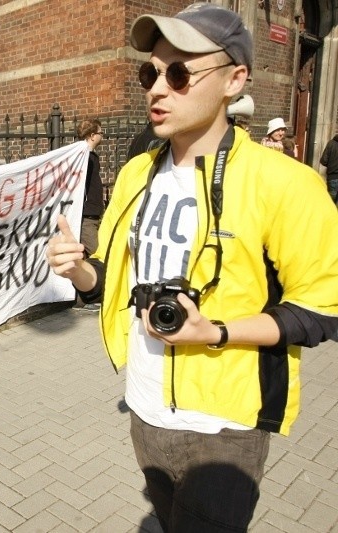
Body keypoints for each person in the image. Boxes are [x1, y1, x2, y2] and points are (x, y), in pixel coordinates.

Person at [45, 4, 338, 532]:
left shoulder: (288, 184)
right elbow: (113, 276)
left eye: (179, 73)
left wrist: (215, 331)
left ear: (234, 79)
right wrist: (80, 271)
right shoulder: (136, 170)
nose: (158, 88)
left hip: (223, 427)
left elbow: (321, 311)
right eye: (150, 73)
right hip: (142, 406)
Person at [77, 119, 104, 313]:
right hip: (86, 215)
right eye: (100, 133)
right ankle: (91, 297)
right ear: (92, 135)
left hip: (92, 213)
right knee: (96, 254)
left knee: (86, 256)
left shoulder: (92, 156)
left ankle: (83, 298)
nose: (102, 136)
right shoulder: (83, 156)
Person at [320, 132, 338, 205]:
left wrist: (332, 165)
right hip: (333, 176)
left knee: (330, 203)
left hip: (332, 176)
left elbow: (323, 161)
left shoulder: (331, 143)